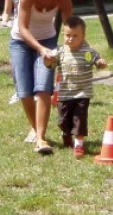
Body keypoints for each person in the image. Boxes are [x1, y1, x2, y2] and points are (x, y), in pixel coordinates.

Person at [11, 0, 73, 155]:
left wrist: (70, 50)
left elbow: (71, 27)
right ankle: (35, 128)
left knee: (44, 89)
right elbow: (22, 28)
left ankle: (41, 138)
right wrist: (40, 49)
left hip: (48, 41)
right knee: (25, 91)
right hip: (21, 41)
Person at [45, 15, 108, 158]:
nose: (71, 39)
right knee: (63, 120)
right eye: (67, 35)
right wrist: (48, 60)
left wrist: (100, 63)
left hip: (82, 93)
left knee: (80, 119)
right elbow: (50, 65)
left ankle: (79, 146)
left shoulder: (88, 52)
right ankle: (66, 135)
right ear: (63, 35)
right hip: (64, 94)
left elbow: (98, 61)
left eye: (75, 35)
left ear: (83, 35)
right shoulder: (60, 52)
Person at [2, 0, 32, 105]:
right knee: (16, 63)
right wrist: (5, 20)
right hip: (17, 32)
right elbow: (7, 10)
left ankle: (36, 91)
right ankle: (19, 92)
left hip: (33, 31)